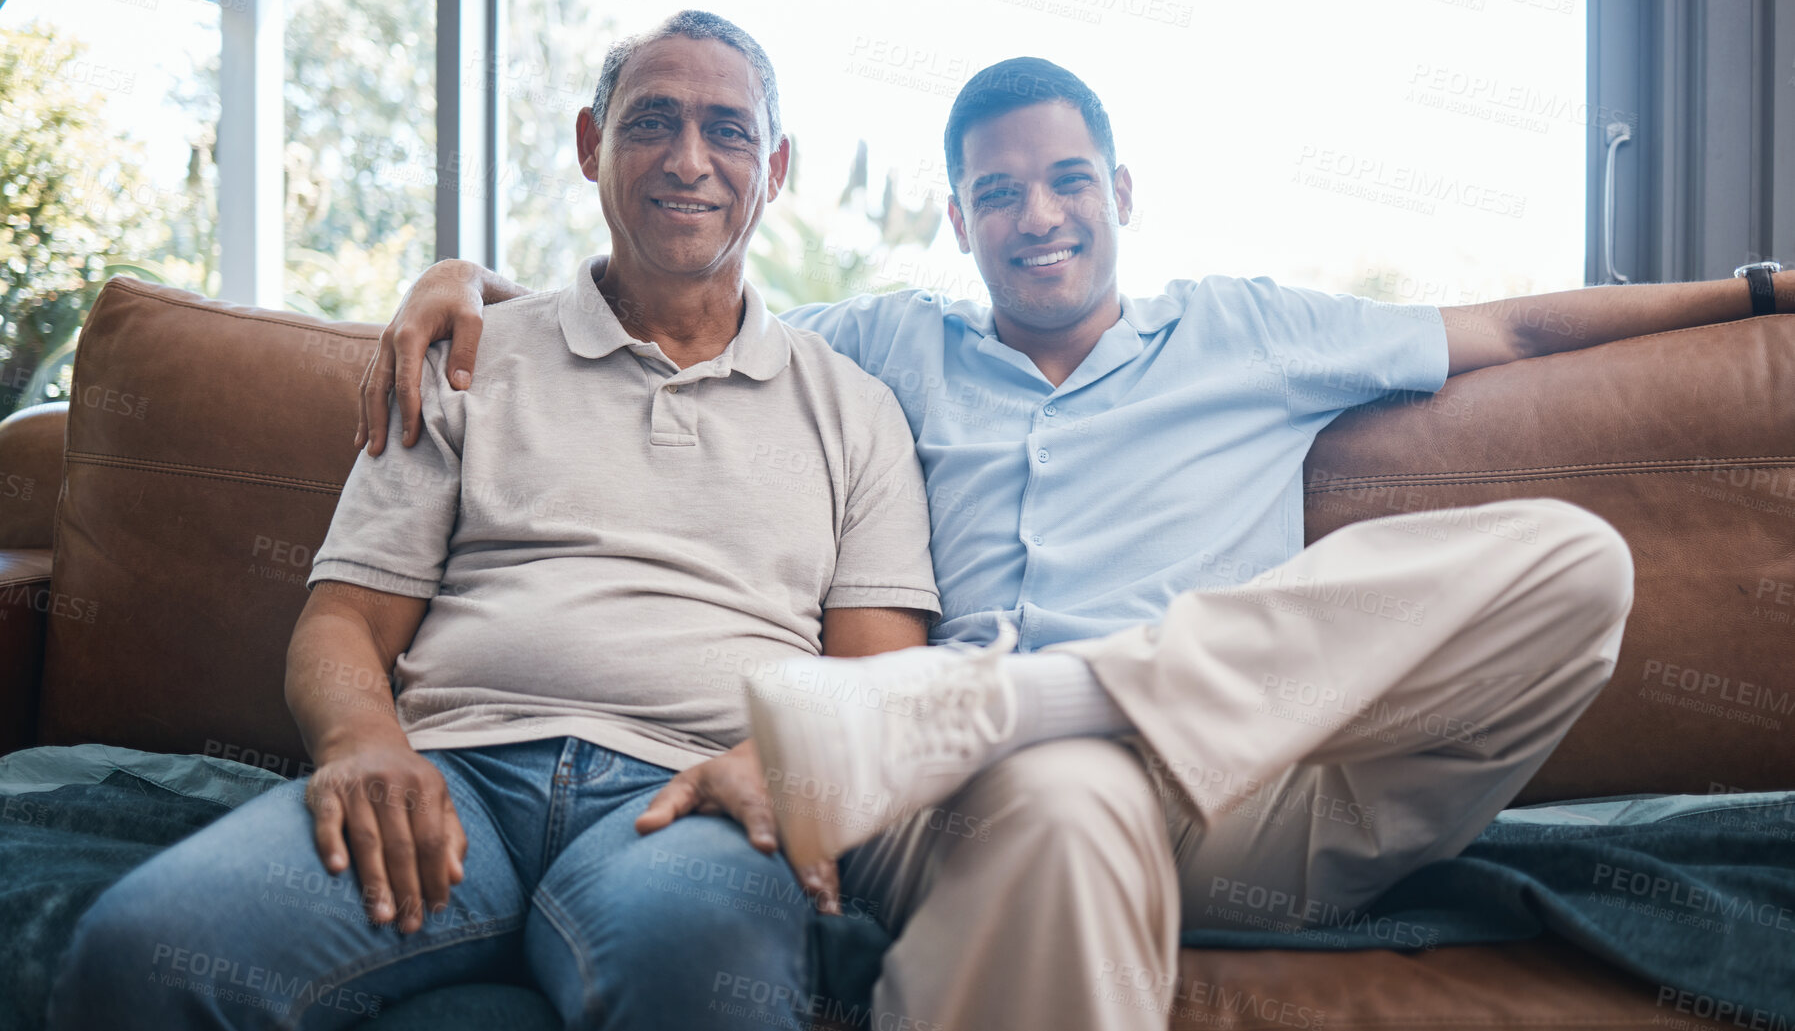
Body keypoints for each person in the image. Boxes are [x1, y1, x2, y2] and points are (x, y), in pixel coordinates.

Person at [360, 51, 1786, 1029]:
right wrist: (468, 276)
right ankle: (1002, 731)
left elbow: (1520, 328)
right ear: (958, 219)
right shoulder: (878, 348)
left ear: (1119, 192)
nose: (1034, 218)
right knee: (1059, 797)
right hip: (995, 802)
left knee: (1567, 560)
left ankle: (1001, 698)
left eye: (1064, 182)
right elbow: (670, 293)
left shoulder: (1249, 328)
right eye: (995, 193)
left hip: (1249, 786)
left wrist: (1755, 290)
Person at [47, 10, 943, 1031]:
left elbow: (877, 673)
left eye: (728, 130)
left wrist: (775, 764)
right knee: (141, 949)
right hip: (446, 778)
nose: (689, 159)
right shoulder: (468, 357)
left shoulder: (856, 409)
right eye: (652, 121)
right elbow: (344, 619)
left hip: (688, 799)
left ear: (774, 165)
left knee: (694, 964)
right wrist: (360, 741)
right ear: (588, 146)